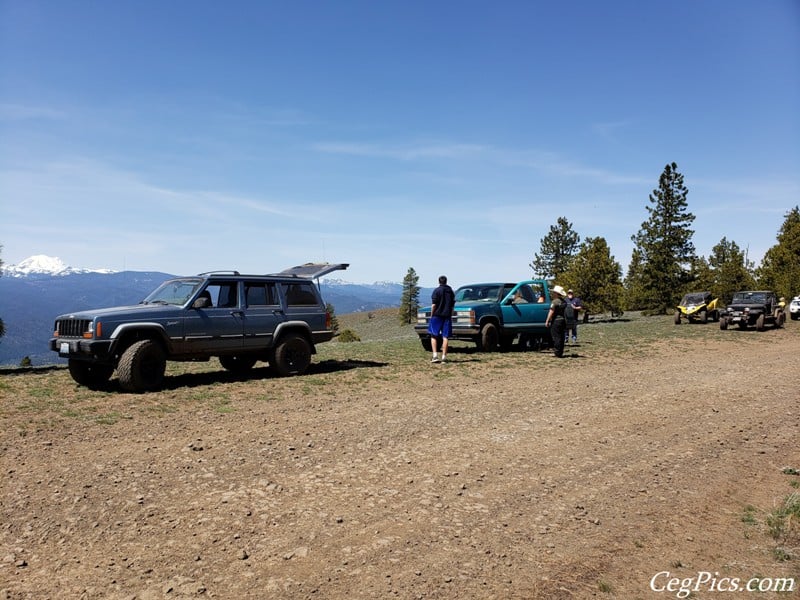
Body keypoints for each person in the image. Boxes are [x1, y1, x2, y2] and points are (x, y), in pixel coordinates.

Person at [428, 275, 455, 363]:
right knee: (445, 337)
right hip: (447, 316)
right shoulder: (450, 291)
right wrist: (450, 315)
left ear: (439, 281)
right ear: (446, 281)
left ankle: (435, 355)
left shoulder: (437, 291)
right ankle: (444, 357)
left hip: (437, 315)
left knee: (433, 335)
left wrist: (432, 315)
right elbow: (452, 305)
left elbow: (434, 305)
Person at [545, 285, 568, 358]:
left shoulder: (555, 301)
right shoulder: (564, 301)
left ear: (556, 293)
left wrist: (547, 320)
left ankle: (557, 352)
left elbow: (551, 311)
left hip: (556, 320)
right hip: (563, 320)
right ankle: (560, 351)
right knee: (561, 336)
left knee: (556, 337)